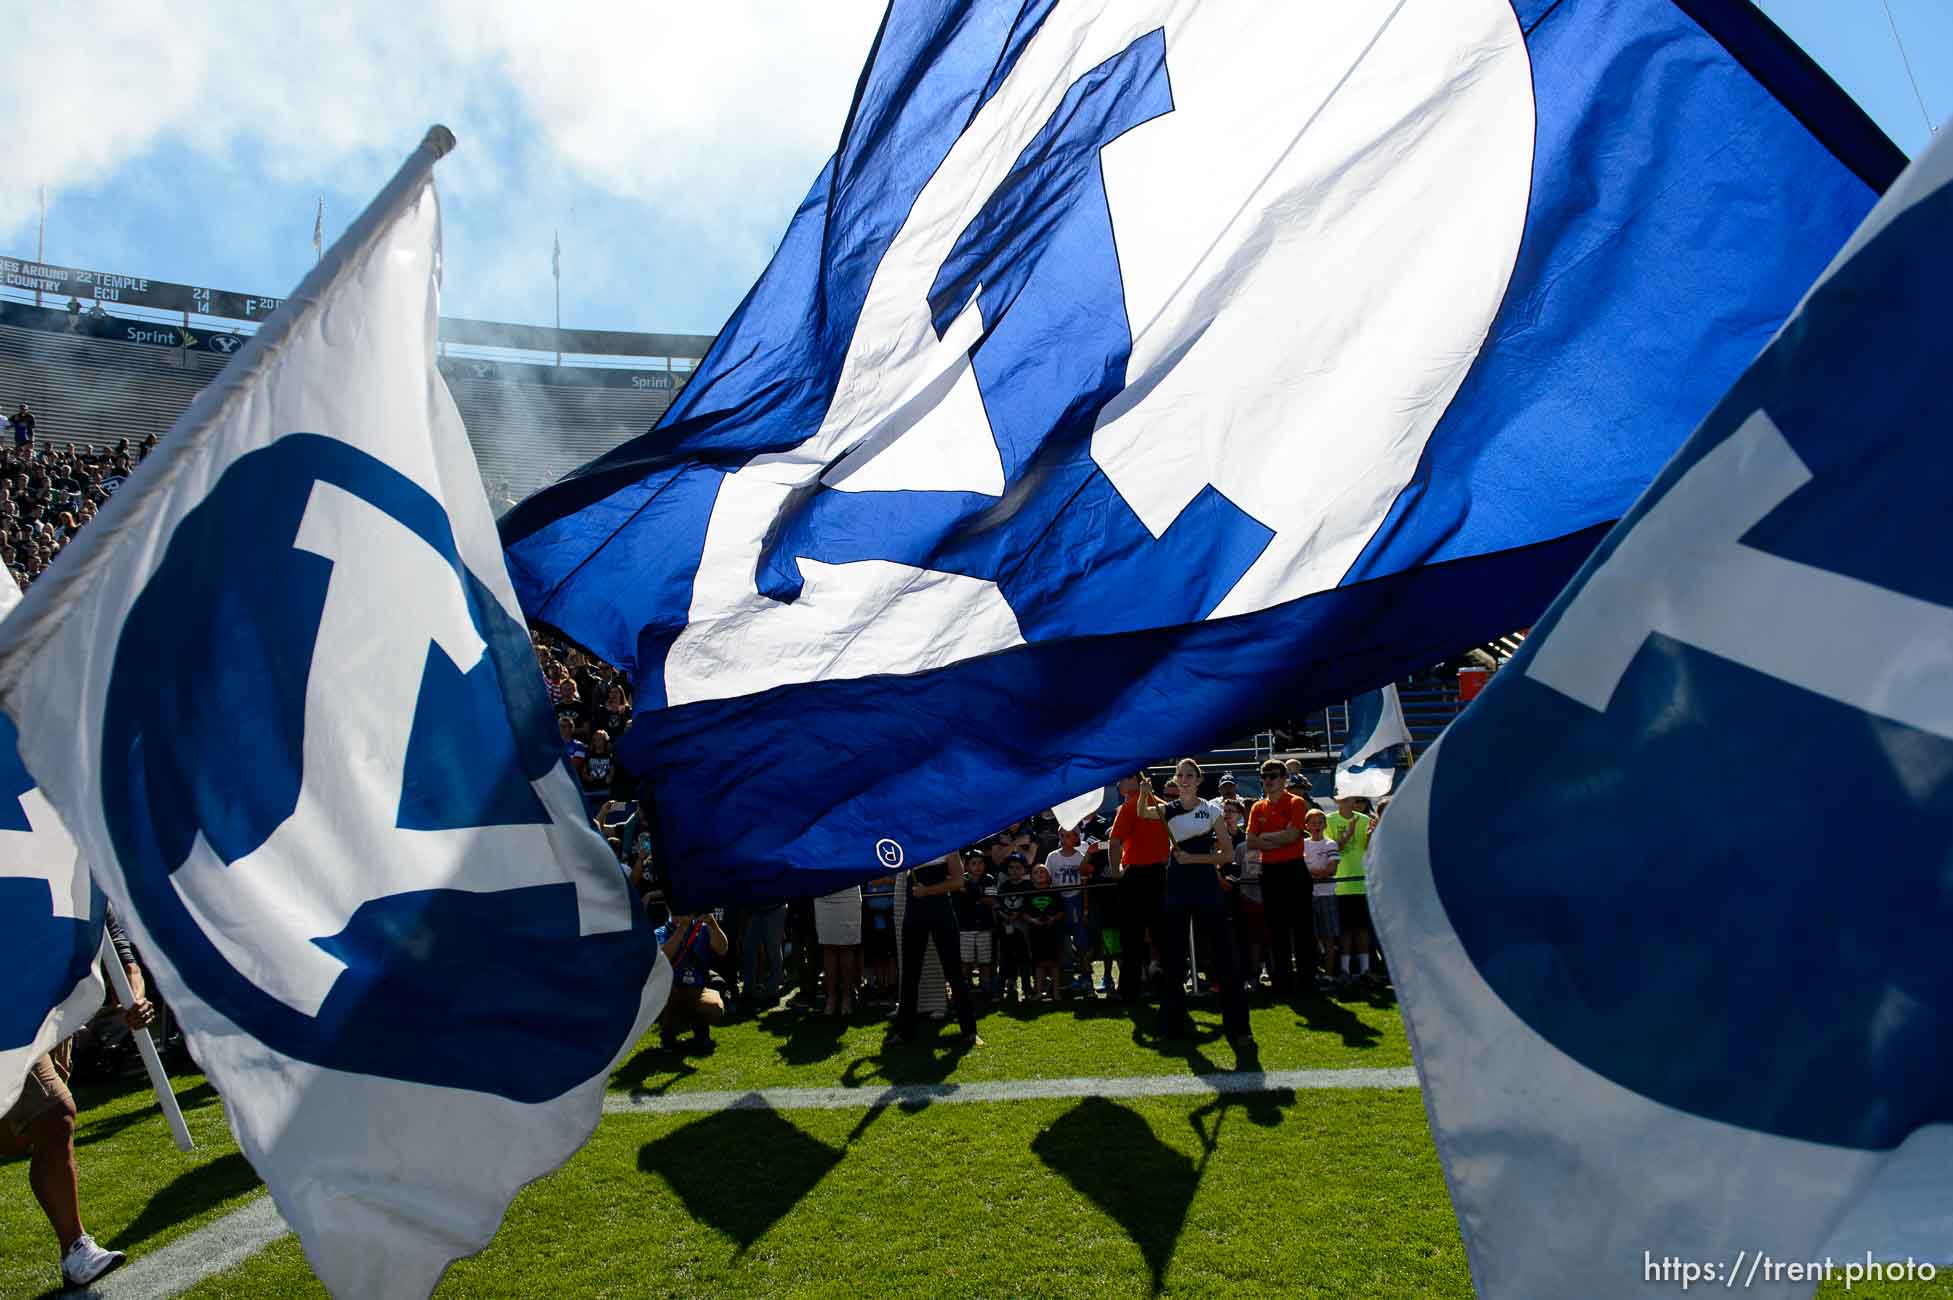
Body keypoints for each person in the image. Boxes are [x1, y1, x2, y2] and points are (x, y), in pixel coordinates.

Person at [3, 913, 155, 1288]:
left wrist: (135, 1002)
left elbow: (125, 963)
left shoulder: (90, 886)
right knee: (55, 1114)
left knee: (23, 1135)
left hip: (50, 1026)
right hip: (9, 1021)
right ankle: (76, 1249)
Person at [1138, 757, 1255, 1058]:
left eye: (1190, 775)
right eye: (1180, 775)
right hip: (1176, 888)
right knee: (1173, 961)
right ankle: (1172, 1025)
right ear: (1175, 780)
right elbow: (1142, 813)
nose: (1185, 779)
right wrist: (1143, 791)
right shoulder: (1168, 810)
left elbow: (1227, 854)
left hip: (1205, 887)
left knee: (1224, 957)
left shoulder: (1212, 810)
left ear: (1199, 779)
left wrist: (1194, 859)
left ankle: (1239, 1028)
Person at [890, 853, 983, 1048]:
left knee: (954, 973)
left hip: (942, 914)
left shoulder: (947, 842)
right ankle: (903, 1031)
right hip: (914, 915)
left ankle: (970, 1031)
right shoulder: (909, 844)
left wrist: (928, 891)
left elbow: (958, 881)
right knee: (909, 975)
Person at [1246, 758, 1312, 995]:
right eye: (1264, 776)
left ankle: (1307, 981)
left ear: (1284, 779)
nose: (1268, 781)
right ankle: (1282, 982)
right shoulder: (1257, 807)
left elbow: (1293, 835)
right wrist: (1278, 837)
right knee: (1276, 930)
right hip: (1270, 872)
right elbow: (1251, 841)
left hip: (1294, 869)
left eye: (1273, 775)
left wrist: (1266, 839)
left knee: (1302, 928)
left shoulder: (1297, 802)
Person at [1108, 769, 1171, 1003]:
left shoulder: (1129, 807)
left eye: (1124, 777)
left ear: (1137, 780)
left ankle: (1130, 990)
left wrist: (1116, 872)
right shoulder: (1163, 805)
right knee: (1161, 936)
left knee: (1132, 938)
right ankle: (1166, 986)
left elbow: (1115, 842)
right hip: (1160, 875)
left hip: (1135, 876)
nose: (1119, 781)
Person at [657, 910, 729, 1050]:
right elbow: (662, 958)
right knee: (665, 997)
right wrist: (682, 928)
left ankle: (700, 1029)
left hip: (698, 989)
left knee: (714, 1009)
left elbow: (722, 949)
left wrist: (712, 923)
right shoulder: (660, 932)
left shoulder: (702, 929)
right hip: (672, 990)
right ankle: (668, 1034)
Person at [1328, 795, 1378, 984]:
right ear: (1336, 799)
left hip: (1362, 883)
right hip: (1340, 883)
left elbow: (1371, 849)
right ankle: (1344, 970)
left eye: (1349, 797)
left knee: (1362, 929)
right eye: (1342, 797)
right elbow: (1331, 850)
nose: (1347, 800)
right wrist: (1347, 835)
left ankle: (1365, 970)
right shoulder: (1329, 820)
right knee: (1345, 930)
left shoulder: (1365, 820)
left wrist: (1372, 836)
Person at [1042, 826, 1089, 992]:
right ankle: (1061, 979)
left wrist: (1084, 908)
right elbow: (1046, 879)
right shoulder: (1052, 857)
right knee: (1059, 941)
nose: (1065, 839)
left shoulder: (1080, 856)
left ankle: (1086, 978)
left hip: (1075, 899)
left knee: (1081, 942)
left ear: (1076, 837)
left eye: (1069, 835)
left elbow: (1085, 882)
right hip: (1058, 899)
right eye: (1062, 835)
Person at [1302, 809, 1343, 990]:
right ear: (1307, 826)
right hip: (1308, 895)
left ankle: (1328, 974)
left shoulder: (1330, 844)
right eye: (1313, 823)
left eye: (1320, 822)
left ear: (1325, 825)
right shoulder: (1302, 845)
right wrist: (1317, 874)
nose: (1317, 826)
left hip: (1327, 895)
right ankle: (1314, 972)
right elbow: (1301, 871)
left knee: (1328, 937)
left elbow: (1331, 870)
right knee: (1312, 937)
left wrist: (1312, 874)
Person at [813, 881, 864, 1015]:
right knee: (828, 946)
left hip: (849, 893)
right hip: (824, 893)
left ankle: (847, 998)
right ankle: (831, 998)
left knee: (847, 946)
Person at [955, 849, 997, 998]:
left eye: (980, 863)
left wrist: (971, 895)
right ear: (966, 866)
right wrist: (980, 897)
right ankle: (965, 988)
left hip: (984, 926)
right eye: (973, 863)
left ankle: (986, 987)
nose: (977, 867)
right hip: (965, 927)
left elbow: (991, 901)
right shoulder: (960, 880)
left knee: (985, 959)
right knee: (965, 960)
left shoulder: (989, 879)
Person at [993, 853, 1035, 1003]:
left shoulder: (1028, 886)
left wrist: (1019, 913)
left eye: (1018, 868)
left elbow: (1030, 904)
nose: (1014, 871)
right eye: (1011, 868)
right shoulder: (1004, 886)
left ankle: (1027, 989)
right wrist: (1005, 916)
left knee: (1024, 960)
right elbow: (998, 905)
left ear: (1024, 870)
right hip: (1006, 927)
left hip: (1023, 928)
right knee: (1005, 959)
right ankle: (1000, 990)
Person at [1024, 863, 1066, 1000]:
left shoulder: (1055, 893)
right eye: (1036, 872)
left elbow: (1062, 912)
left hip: (1052, 932)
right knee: (1039, 964)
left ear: (1049, 876)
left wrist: (1053, 919)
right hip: (1036, 933)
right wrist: (1033, 920)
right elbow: (1024, 913)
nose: (1040, 874)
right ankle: (1039, 992)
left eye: (1043, 871)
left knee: (1054, 963)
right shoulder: (1028, 893)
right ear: (1031, 877)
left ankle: (1056, 992)